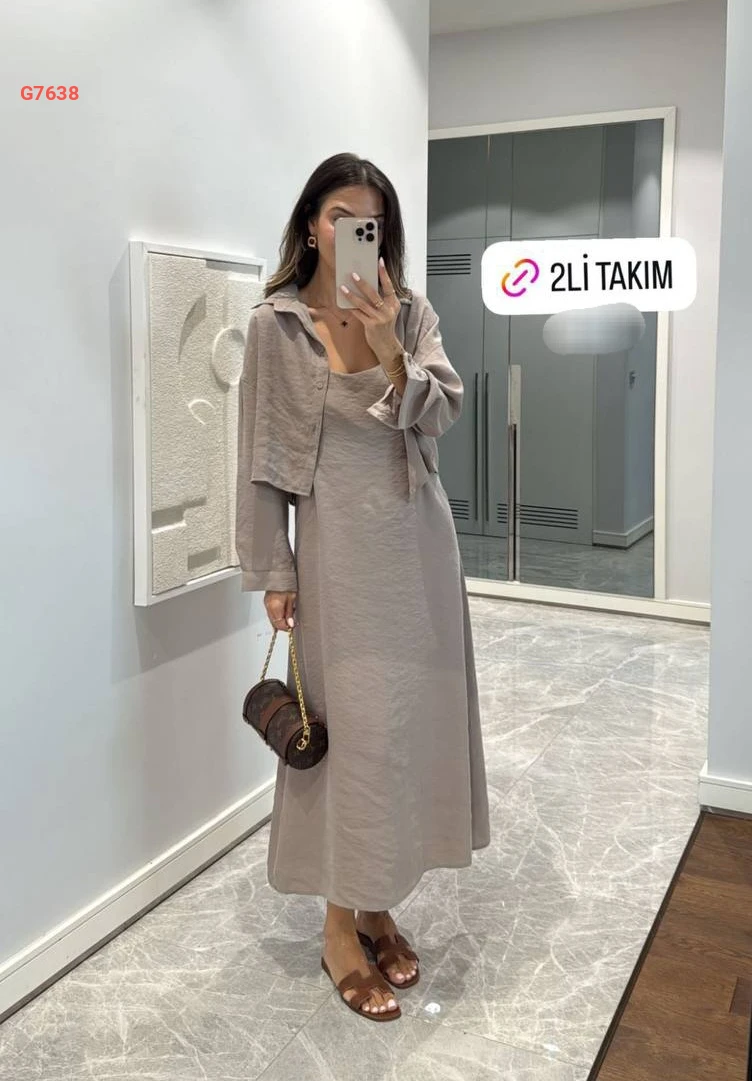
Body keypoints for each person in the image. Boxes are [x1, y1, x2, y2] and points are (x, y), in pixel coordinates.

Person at [235, 152, 490, 1023]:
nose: (354, 232)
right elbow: (260, 459)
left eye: (369, 221)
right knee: (354, 738)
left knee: (404, 732)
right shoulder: (275, 326)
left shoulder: (410, 313)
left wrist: (391, 354)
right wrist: (273, 567)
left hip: (419, 549)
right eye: (340, 216)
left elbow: (445, 411)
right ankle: (338, 927)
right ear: (313, 224)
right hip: (335, 558)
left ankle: (378, 904)